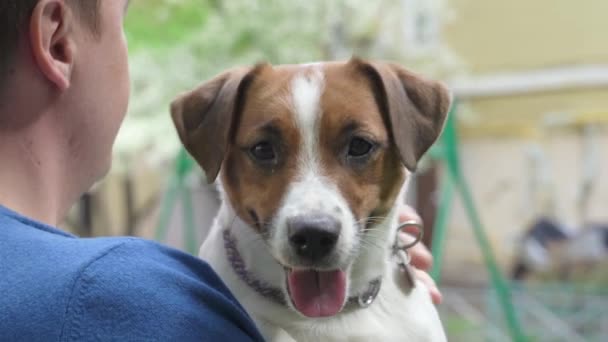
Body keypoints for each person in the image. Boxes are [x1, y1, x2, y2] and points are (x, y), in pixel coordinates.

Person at [0, 1, 441, 340]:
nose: (313, 211)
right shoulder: (151, 303)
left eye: (359, 148)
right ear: (56, 40)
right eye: (265, 151)